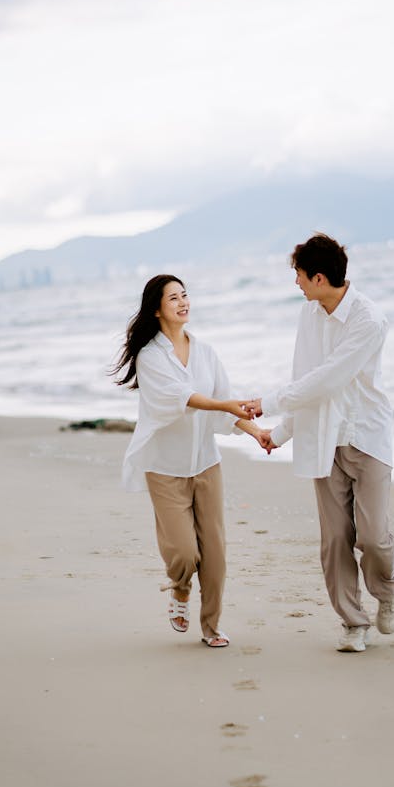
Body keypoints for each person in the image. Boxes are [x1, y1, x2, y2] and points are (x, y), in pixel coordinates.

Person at [248, 233, 394, 653]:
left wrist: (267, 404)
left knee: (372, 537)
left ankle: (387, 591)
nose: (295, 283)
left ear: (318, 277)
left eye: (298, 275)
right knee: (335, 539)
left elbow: (329, 378)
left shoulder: (368, 319)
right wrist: (280, 434)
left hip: (367, 436)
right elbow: (306, 380)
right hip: (323, 439)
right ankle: (354, 623)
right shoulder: (308, 315)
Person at [114, 274, 273, 649]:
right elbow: (182, 397)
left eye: (185, 295)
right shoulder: (151, 356)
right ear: (156, 309)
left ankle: (212, 626)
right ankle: (181, 589)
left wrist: (256, 433)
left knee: (215, 552)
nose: (183, 302)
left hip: (206, 463)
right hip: (165, 468)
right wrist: (225, 404)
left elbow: (223, 405)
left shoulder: (205, 352)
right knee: (185, 552)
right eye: (174, 298)